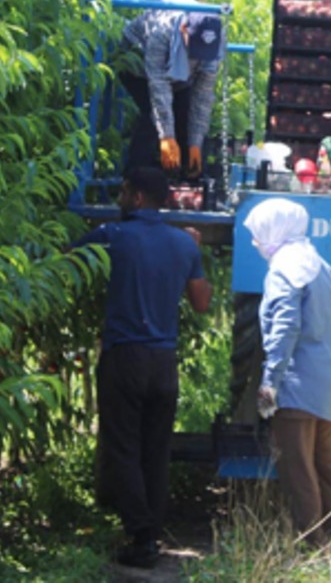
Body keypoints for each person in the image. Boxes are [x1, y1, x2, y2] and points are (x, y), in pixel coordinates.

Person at [71, 166, 212, 568]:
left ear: (135, 198)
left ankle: (141, 536)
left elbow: (67, 263)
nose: (119, 198)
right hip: (164, 362)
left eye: (122, 191)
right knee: (155, 449)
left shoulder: (113, 237)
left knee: (122, 447)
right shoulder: (183, 244)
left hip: (124, 357)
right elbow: (202, 303)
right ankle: (150, 529)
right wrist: (194, 250)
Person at [243, 198, 331, 545]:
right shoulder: (321, 265)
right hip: (329, 383)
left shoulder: (284, 270)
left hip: (297, 385)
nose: (256, 242)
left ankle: (312, 543)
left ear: (276, 230)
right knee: (327, 464)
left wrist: (269, 385)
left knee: (298, 469)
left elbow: (284, 328)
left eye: (259, 234)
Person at [119, 0, 224, 178]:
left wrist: (195, 143)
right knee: (153, 117)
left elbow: (203, 96)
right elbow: (158, 87)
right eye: (192, 51)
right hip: (137, 65)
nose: (196, 58)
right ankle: (135, 181)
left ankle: (184, 179)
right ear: (184, 30)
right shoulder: (162, 31)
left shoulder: (213, 41)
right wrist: (166, 137)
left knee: (185, 118)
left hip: (179, 77)